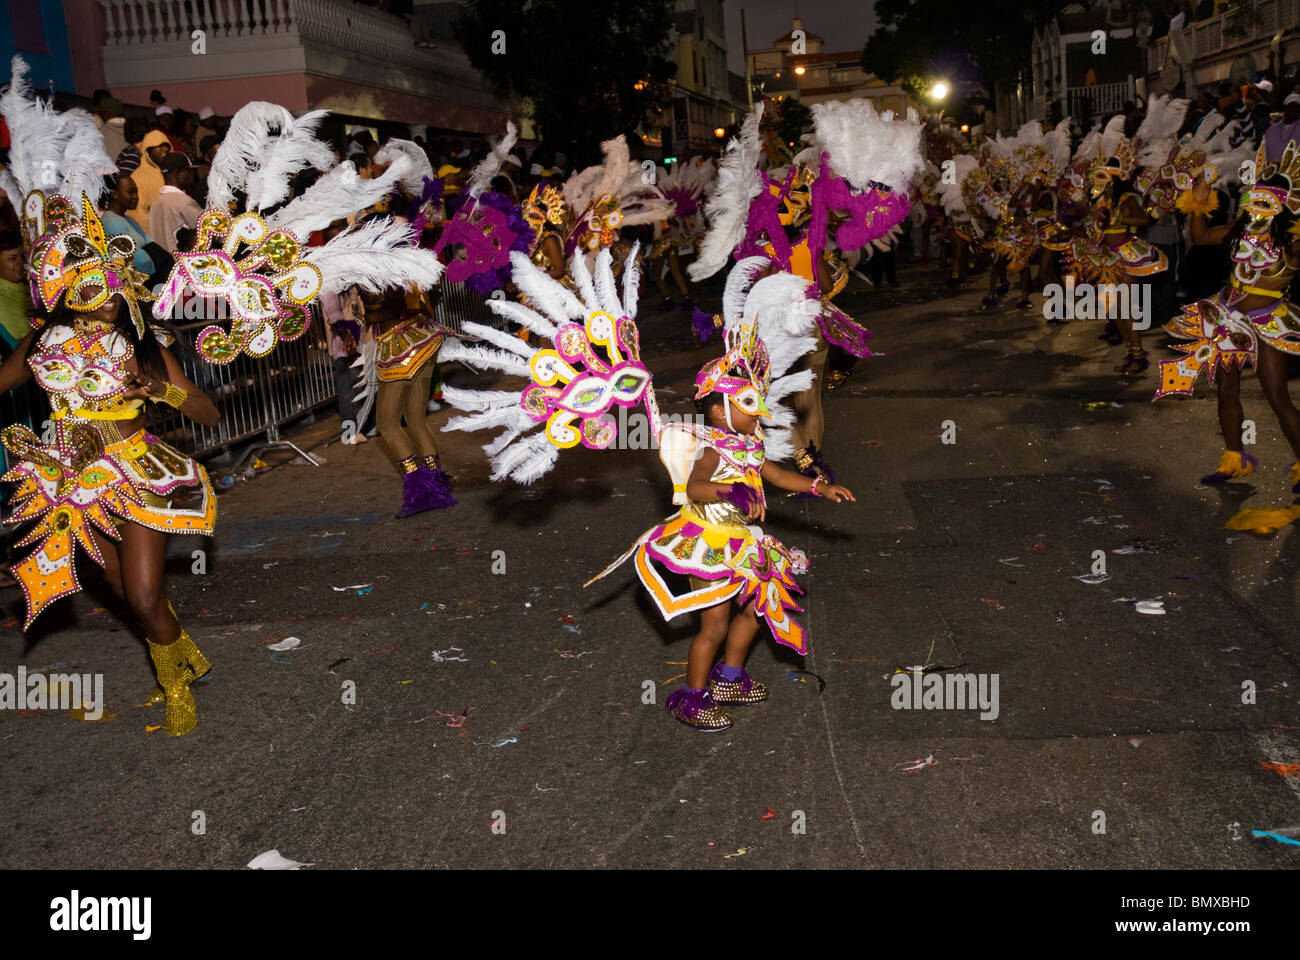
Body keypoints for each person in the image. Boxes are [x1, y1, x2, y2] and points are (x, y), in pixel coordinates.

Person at [0, 201, 222, 736]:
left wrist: (162, 391)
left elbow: (207, 412)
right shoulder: (41, 343)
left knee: (144, 595)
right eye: (96, 290)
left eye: (117, 290)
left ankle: (177, 690)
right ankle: (184, 653)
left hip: (137, 473)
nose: (110, 302)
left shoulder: (144, 347)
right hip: (72, 484)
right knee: (124, 588)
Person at [1159, 158, 1300, 519]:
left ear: (1284, 205)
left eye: (1265, 201)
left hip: (1268, 319)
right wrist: (1198, 203)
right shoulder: (1239, 229)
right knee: (1226, 390)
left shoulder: (1293, 241)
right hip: (1227, 315)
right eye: (1253, 198)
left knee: (1277, 395)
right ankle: (1234, 459)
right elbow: (1202, 237)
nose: (1256, 206)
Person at [148, 152, 202, 254]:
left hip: (166, 266)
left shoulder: (155, 204)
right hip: (185, 265)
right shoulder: (184, 202)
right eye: (189, 171)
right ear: (177, 174)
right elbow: (209, 231)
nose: (192, 174)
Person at [129, 128, 171, 231]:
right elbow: (137, 215)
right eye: (159, 146)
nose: (164, 149)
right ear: (148, 150)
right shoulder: (138, 177)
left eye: (167, 146)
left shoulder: (172, 173)